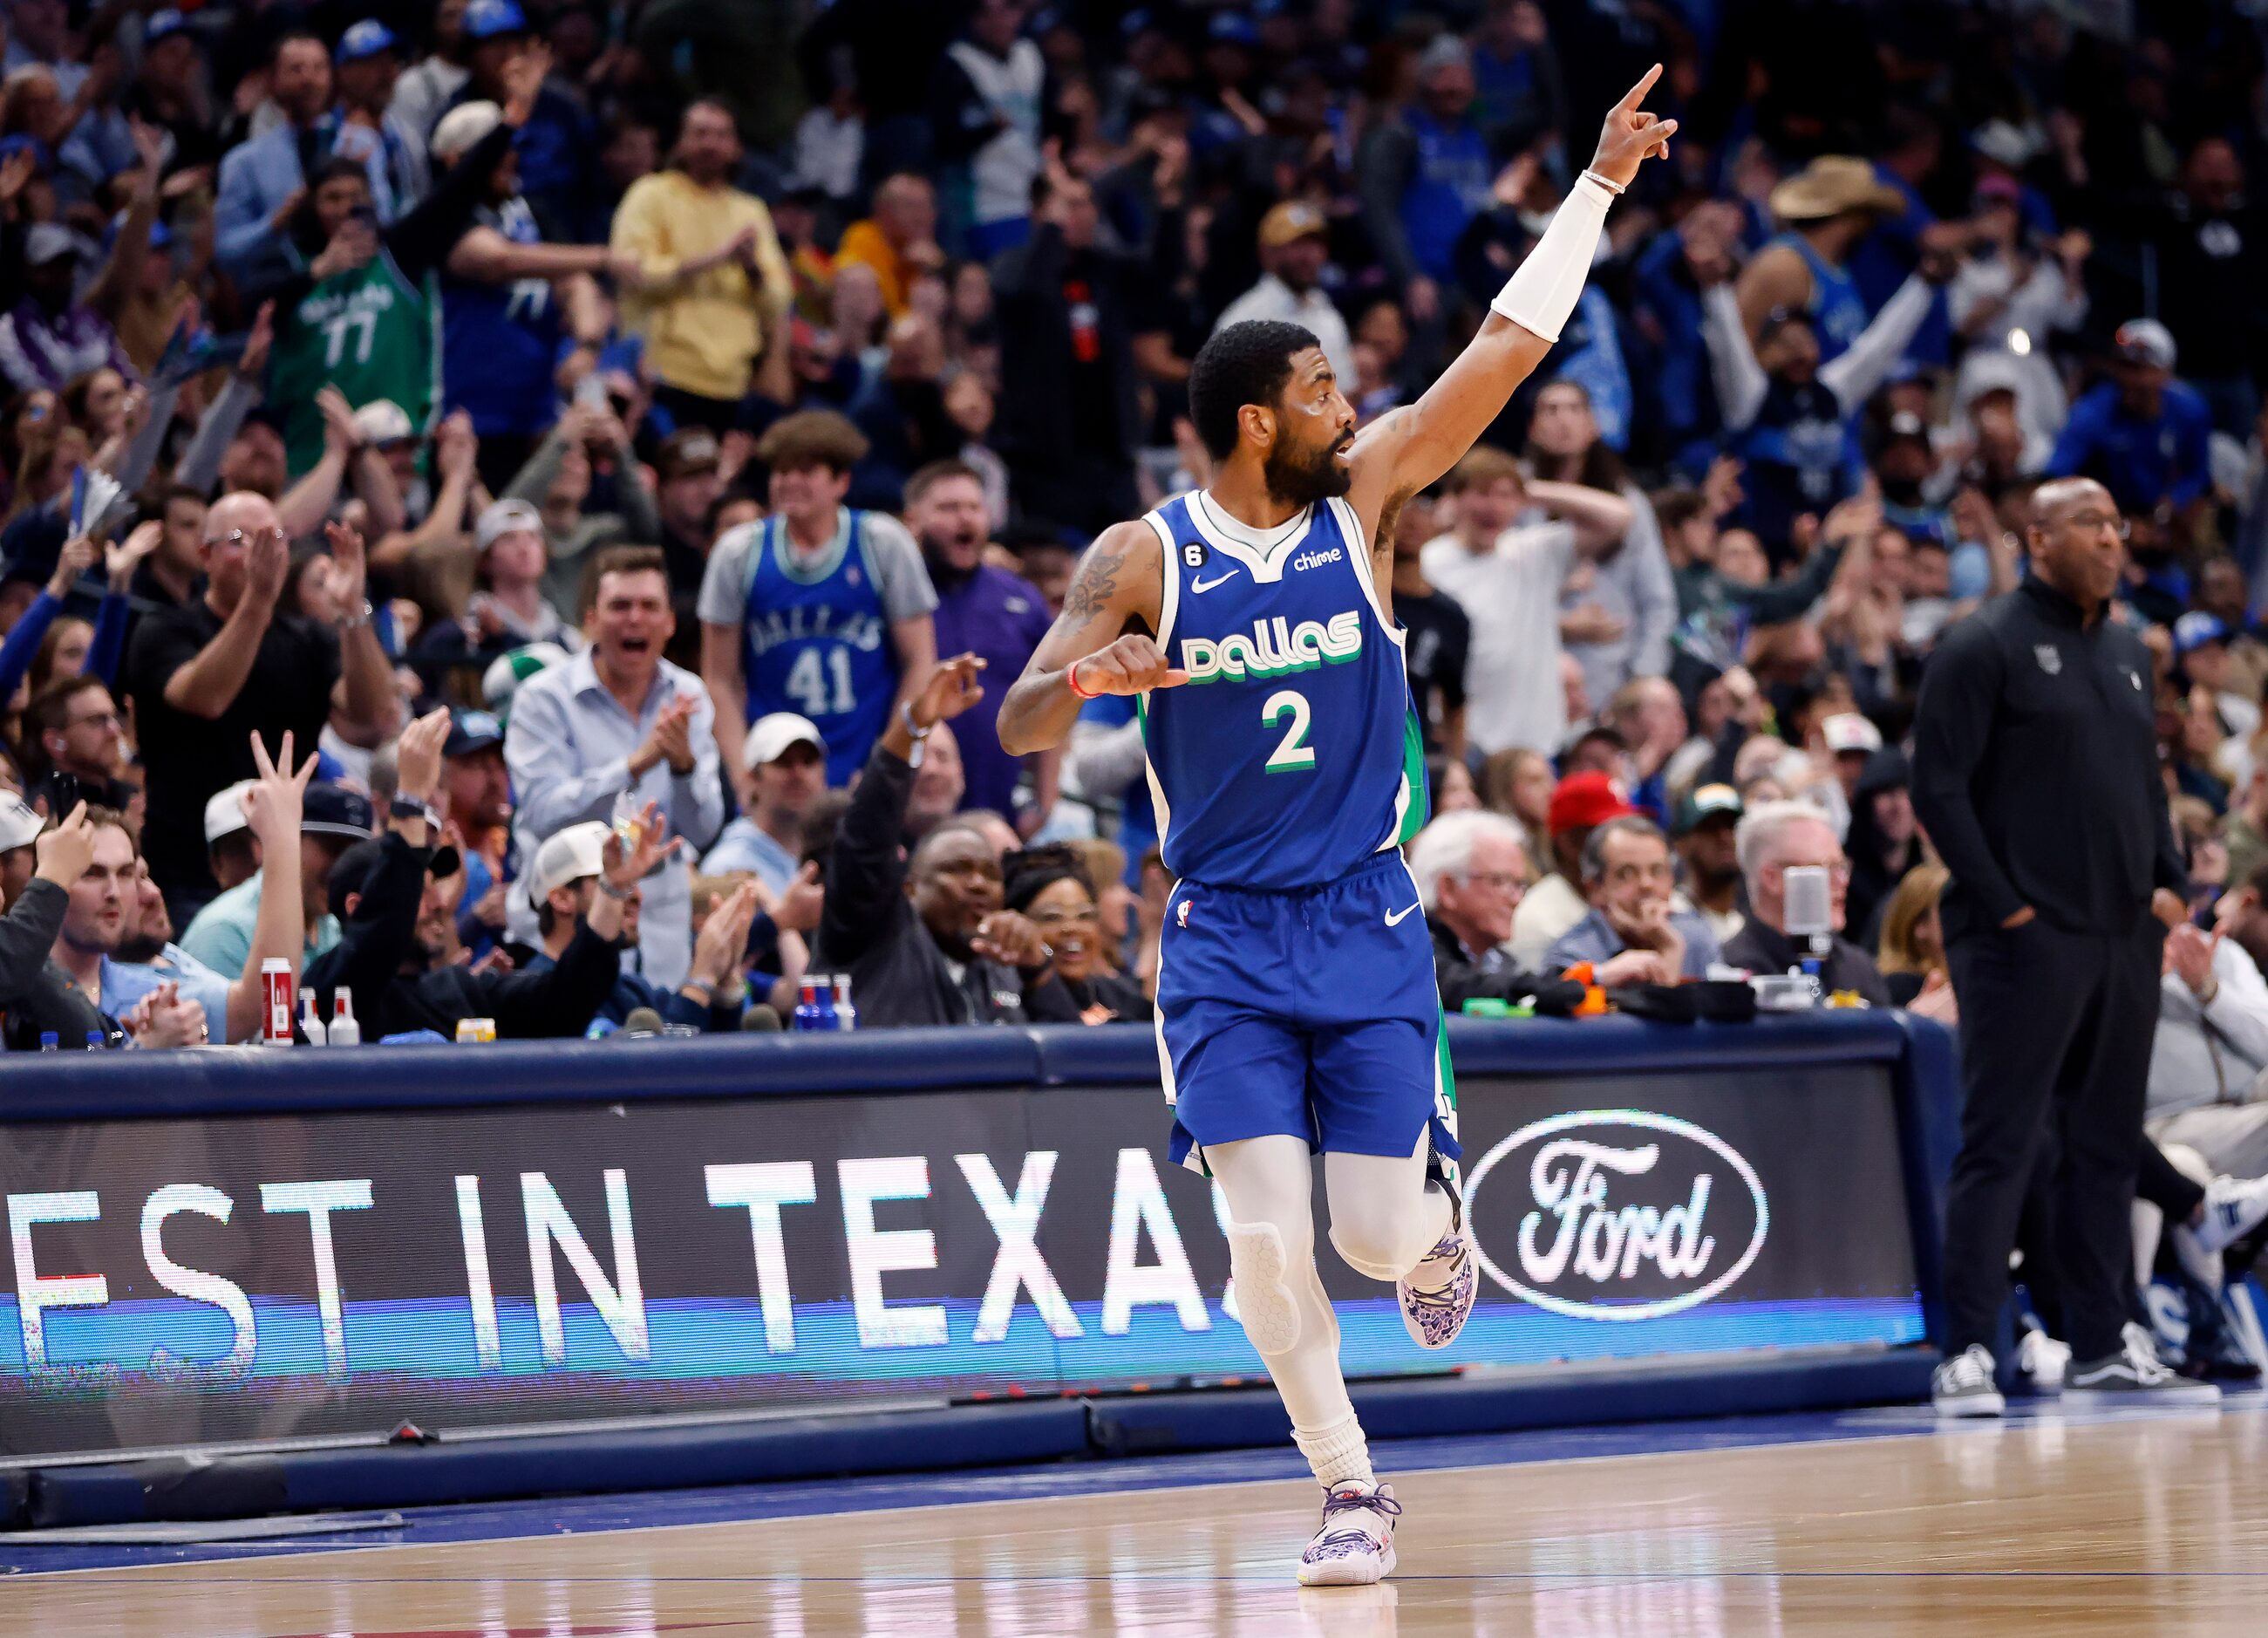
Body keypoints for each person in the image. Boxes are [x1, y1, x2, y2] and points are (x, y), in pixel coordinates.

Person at [994, 73, 1673, 1586]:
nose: (1348, 405)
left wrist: (1598, 188)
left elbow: (1499, 354)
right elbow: (1023, 723)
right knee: (1262, 1238)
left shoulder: (1363, 502)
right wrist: (1082, 675)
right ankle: (1349, 1487)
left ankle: (1432, 1222)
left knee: (1371, 1238)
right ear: (1257, 418)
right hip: (1226, 932)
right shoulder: (1141, 553)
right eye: (1318, 390)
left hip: (1362, 918)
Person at [1912, 475, 2209, 1415]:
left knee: (2107, 1145)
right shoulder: (1983, 642)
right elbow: (1940, 791)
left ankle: (2100, 1338)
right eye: (2090, 525)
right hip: (2021, 939)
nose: (2113, 541)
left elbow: (2144, 778)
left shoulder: (2126, 648)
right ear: (2037, 537)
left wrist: (2168, 878)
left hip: (2122, 932)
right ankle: (1965, 1348)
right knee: (2001, 1143)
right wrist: (2006, 911)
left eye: (2119, 525)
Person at [122, 502, 394, 908]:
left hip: (291, 867)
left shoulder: (308, 638)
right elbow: (206, 698)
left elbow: (372, 715)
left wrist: (353, 608)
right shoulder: (165, 629)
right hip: (188, 872)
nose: (258, 552)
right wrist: (259, 597)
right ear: (204, 556)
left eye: (272, 539)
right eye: (238, 540)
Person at [816, 654, 1079, 1028]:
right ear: (908, 889)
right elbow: (864, 837)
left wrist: (1037, 966)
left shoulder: (1005, 965)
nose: (978, 884)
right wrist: (912, 725)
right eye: (957, 870)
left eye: (990, 874)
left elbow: (1068, 1067)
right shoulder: (876, 937)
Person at [505, 547, 725, 991]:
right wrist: (634, 765)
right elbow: (543, 812)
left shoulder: (688, 694)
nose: (634, 619)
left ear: (669, 624)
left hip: (660, 937)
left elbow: (701, 831)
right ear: (591, 621)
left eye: (649, 607)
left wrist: (683, 768)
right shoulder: (543, 698)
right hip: (562, 938)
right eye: (619, 606)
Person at [698, 412, 937, 791]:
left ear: (842, 481)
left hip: (864, 761)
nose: (790, 482)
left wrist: (889, 761)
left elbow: (920, 662)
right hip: (776, 767)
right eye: (781, 471)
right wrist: (745, 775)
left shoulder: (882, 542)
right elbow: (719, 680)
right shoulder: (738, 552)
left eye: (806, 471)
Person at [1420, 445, 1635, 758]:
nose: (1493, 506)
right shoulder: (1429, 563)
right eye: (1482, 493)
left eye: (1504, 496)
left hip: (1539, 743)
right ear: (1456, 498)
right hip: (1469, 743)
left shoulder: (1534, 551)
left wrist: (1529, 490)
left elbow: (1619, 517)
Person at [105, 730, 311, 1044]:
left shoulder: (162, 954)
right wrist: (280, 840)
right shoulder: (123, 990)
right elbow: (262, 1006)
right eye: (119, 881)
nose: (152, 894)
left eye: (141, 876)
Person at [610, 98, 793, 429]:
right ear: (681, 143)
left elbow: (779, 299)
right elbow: (633, 270)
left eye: (722, 135)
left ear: (736, 147)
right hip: (662, 372)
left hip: (731, 382)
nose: (710, 144)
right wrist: (717, 258)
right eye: (700, 133)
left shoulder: (749, 211)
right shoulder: (651, 193)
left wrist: (753, 270)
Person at [908, 459, 1053, 822]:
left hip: (1002, 810)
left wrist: (1044, 802)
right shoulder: (897, 600)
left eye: (974, 507)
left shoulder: (1021, 598)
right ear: (913, 521)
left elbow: (1053, 695)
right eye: (948, 508)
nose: (965, 519)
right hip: (911, 807)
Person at [519, 820, 758, 1032]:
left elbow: (710, 1064)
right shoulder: (536, 993)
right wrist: (701, 980)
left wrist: (725, 980)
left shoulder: (633, 989)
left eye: (633, 881)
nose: (637, 896)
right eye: (609, 882)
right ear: (562, 899)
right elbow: (658, 1070)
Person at [1406, 809, 1613, 1014]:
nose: (1517, 899)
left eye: (1519, 885)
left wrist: (1598, 977)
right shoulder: (1412, 954)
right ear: (1448, 889)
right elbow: (1451, 983)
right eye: (1500, 881)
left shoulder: (1501, 961)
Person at [1718, 799, 1891, 1004]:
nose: (1842, 881)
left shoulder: (1857, 966)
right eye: (1825, 868)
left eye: (1842, 866)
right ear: (1772, 878)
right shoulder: (1733, 974)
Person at [2046, 320, 2212, 524]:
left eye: (2142, 369)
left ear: (2165, 372)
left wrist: (2171, 503)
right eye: (2124, 367)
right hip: (2110, 514)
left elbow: (2197, 474)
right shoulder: (2094, 410)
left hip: (2167, 515)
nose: (2131, 379)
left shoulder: (2189, 410)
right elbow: (2058, 472)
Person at [1547, 813, 1722, 979]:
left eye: (1657, 870)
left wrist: (1668, 945)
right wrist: (1669, 950)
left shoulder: (1697, 935)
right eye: (1626, 874)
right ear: (1595, 888)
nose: (1647, 884)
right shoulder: (1573, 955)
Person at [1002, 842, 1149, 1023]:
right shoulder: (1005, 1004)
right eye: (1052, 917)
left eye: (1085, 916)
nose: (1072, 928)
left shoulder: (1125, 1002)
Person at [1214, 201, 1355, 385]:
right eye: (1297, 245)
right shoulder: (1244, 319)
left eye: (1315, 244)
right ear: (1267, 252)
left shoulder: (1326, 311)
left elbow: (1346, 389)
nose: (1309, 256)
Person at [1508, 770, 1631, 969]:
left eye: (1629, 828)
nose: (1627, 842)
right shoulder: (1539, 917)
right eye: (1608, 831)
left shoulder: (1655, 900)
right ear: (1569, 843)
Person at [701, 713, 826, 895]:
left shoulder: (836, 852)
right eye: (784, 763)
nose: (799, 774)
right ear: (752, 778)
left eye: (808, 761)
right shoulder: (727, 866)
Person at [1672, 782, 1746, 945]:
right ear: (1681, 844)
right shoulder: (1673, 917)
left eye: (1733, 826)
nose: (1725, 838)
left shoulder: (1745, 924)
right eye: (1710, 828)